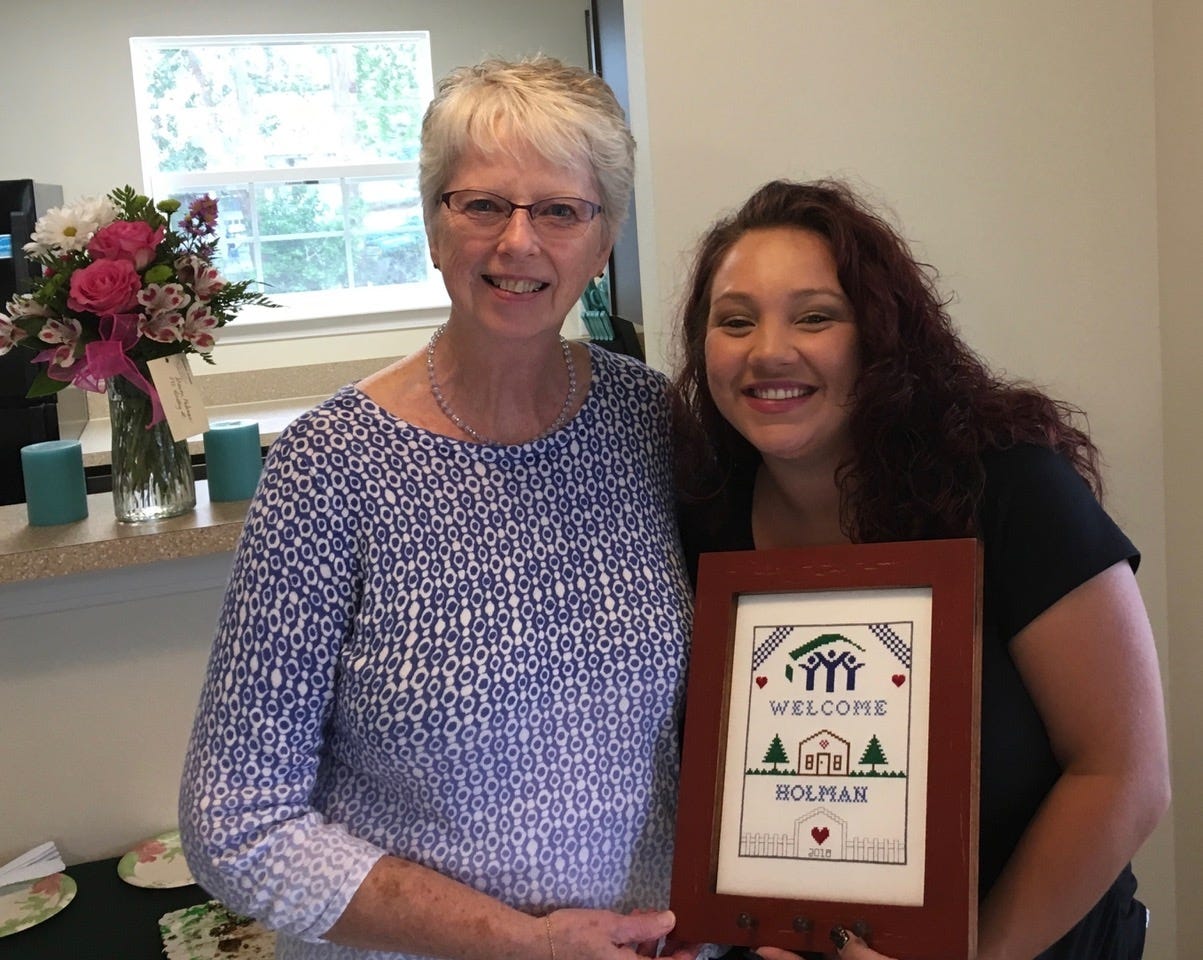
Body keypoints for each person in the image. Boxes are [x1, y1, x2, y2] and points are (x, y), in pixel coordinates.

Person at [180, 56, 694, 960]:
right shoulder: (331, 467)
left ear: (604, 239)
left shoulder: (653, 423)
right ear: (431, 224)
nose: (517, 243)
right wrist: (518, 943)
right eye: (482, 204)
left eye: (560, 210)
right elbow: (239, 824)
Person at [671, 179, 1170, 960]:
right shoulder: (704, 518)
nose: (768, 350)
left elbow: (1124, 775)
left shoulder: (1006, 487)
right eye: (734, 321)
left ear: (878, 334)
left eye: (814, 316)